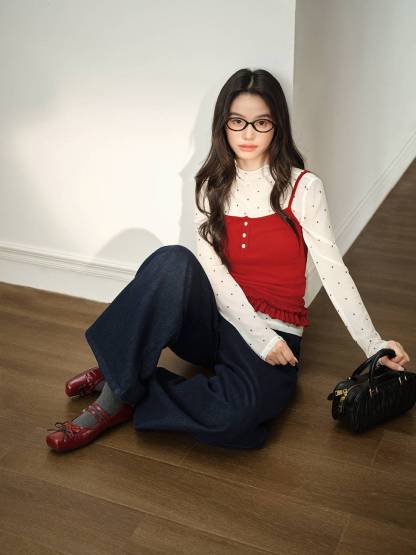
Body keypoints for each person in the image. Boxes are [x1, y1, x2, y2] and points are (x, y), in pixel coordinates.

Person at [46, 68, 410, 453]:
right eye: (237, 121)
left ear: (277, 126)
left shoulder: (304, 187)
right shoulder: (209, 184)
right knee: (172, 261)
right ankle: (111, 400)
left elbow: (334, 271)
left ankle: (123, 376)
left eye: (261, 122)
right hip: (215, 322)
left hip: (276, 331)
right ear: (223, 124)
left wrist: (374, 345)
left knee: (236, 420)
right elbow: (213, 273)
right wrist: (258, 338)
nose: (248, 134)